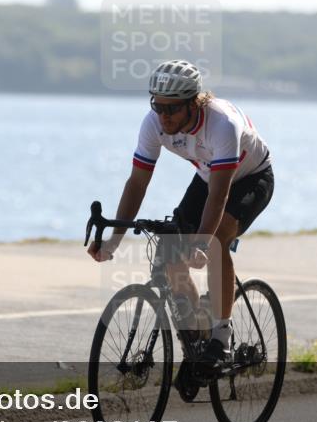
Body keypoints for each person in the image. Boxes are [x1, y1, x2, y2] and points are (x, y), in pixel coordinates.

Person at [87, 59, 274, 397]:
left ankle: (221, 333)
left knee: (217, 240)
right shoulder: (154, 125)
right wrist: (113, 241)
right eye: (158, 106)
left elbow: (219, 197)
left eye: (172, 108)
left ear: (194, 103)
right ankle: (198, 341)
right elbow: (137, 183)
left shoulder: (221, 124)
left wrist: (201, 244)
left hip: (250, 178)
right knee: (170, 254)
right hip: (208, 174)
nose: (164, 116)